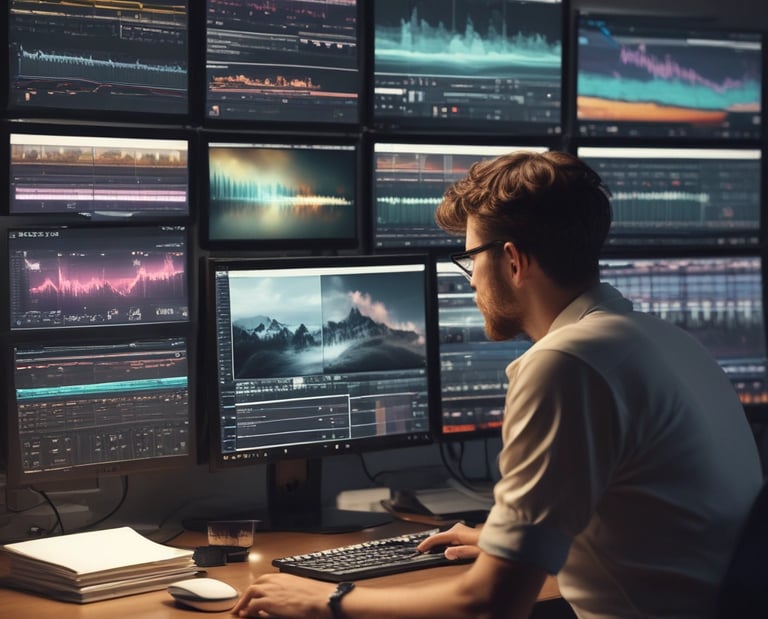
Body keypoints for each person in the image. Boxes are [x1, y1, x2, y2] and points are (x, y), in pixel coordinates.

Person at [232, 151, 763, 619]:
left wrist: (326, 601)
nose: (470, 283)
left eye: (470, 260)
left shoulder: (565, 364)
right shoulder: (666, 342)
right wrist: (502, 539)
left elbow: (490, 605)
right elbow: (648, 525)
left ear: (512, 260)